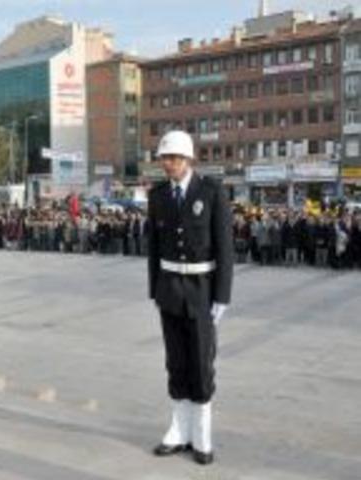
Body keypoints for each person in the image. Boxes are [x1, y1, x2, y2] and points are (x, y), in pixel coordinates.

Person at [147, 130, 233, 466]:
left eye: (173, 158)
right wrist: (154, 289)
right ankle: (178, 431)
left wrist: (222, 296)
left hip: (202, 290)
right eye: (164, 159)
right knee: (176, 362)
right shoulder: (158, 196)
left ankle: (201, 435)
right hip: (169, 289)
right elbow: (153, 246)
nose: (167, 164)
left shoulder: (210, 192)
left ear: (188, 159)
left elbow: (225, 247)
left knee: (201, 364)